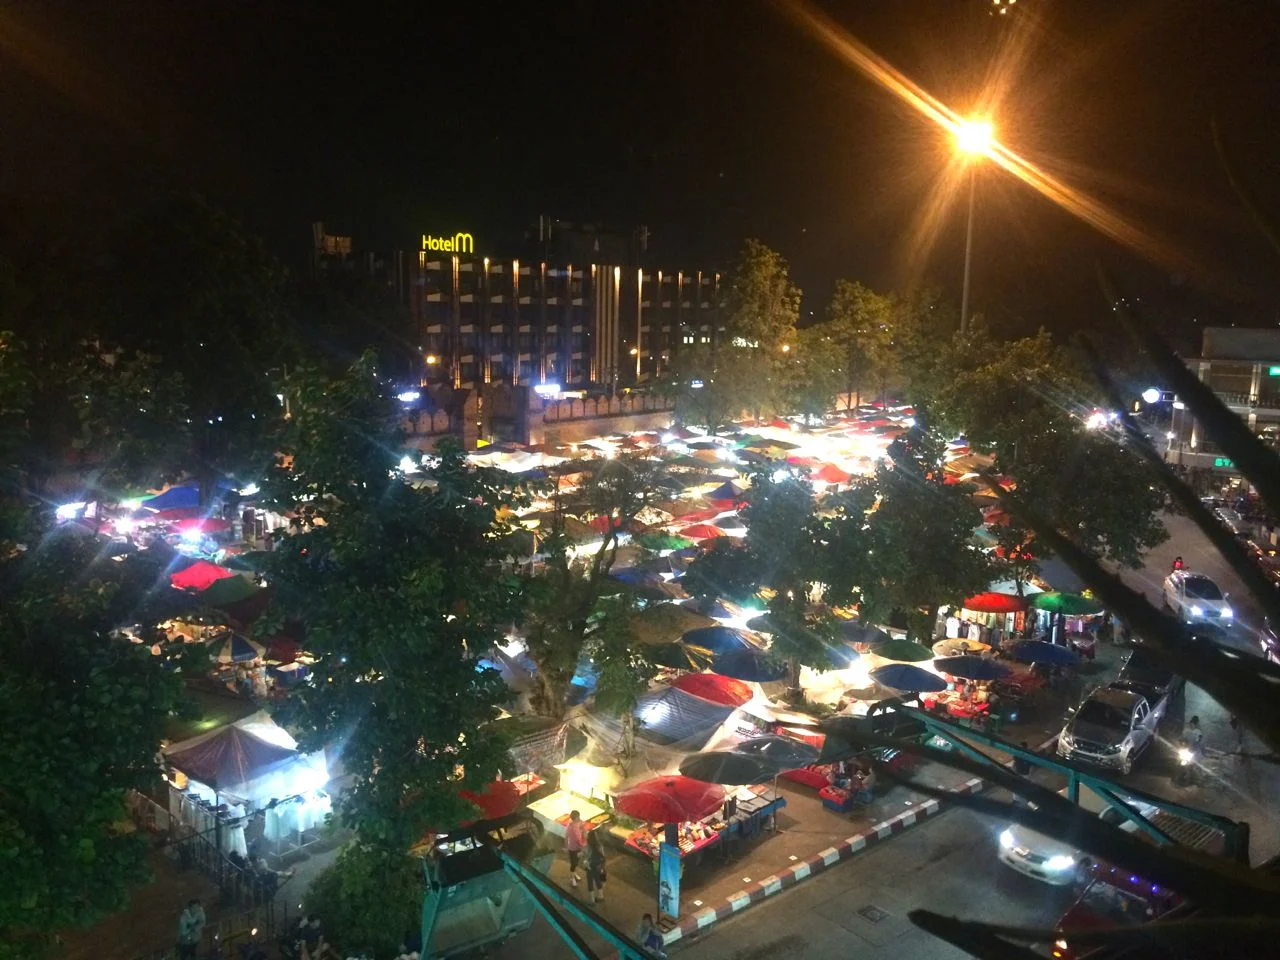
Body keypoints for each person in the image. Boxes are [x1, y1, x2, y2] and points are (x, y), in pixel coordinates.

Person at [565, 810, 587, 887]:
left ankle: (574, 874)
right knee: (573, 863)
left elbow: (567, 837)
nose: (579, 818)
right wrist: (583, 846)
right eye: (578, 817)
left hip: (576, 847)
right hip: (573, 848)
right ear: (575, 818)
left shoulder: (575, 824)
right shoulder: (572, 827)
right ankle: (572, 878)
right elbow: (578, 839)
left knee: (576, 862)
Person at [585, 828, 608, 904]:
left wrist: (585, 862)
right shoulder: (599, 845)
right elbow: (603, 856)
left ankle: (592, 900)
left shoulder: (588, 846)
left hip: (590, 866)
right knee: (598, 880)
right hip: (599, 866)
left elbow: (588, 857)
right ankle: (600, 896)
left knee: (590, 882)